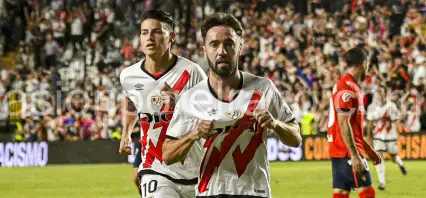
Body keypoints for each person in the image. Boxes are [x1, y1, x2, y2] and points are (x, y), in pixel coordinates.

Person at [162, 13, 302, 198]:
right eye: (214, 44)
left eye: (229, 44)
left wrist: (275, 124)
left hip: (255, 192)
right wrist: (194, 134)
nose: (222, 51)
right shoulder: (192, 98)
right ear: (205, 50)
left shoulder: (264, 88)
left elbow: (296, 138)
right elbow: (167, 155)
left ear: (240, 48)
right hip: (210, 193)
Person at [118, 9, 207, 198]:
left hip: (193, 169)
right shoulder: (129, 76)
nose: (149, 38)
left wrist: (178, 107)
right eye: (144, 32)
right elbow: (131, 101)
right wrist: (126, 132)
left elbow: (209, 116)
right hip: (155, 169)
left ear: (171, 37)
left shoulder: (192, 73)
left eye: (156, 32)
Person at [327, 47, 382, 198]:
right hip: (347, 151)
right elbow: (344, 124)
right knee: (367, 193)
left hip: (341, 150)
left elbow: (352, 127)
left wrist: (368, 150)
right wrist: (355, 155)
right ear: (364, 64)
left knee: (341, 193)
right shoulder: (347, 88)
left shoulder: (347, 85)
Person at [367, 87, 407, 190]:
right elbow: (370, 123)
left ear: (385, 94)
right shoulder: (372, 107)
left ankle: (400, 163)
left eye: (381, 92)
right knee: (379, 158)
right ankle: (382, 183)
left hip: (390, 136)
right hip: (378, 137)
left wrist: (398, 135)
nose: (379, 95)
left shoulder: (391, 106)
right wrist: (369, 137)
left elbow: (396, 121)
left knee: (393, 157)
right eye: (377, 93)